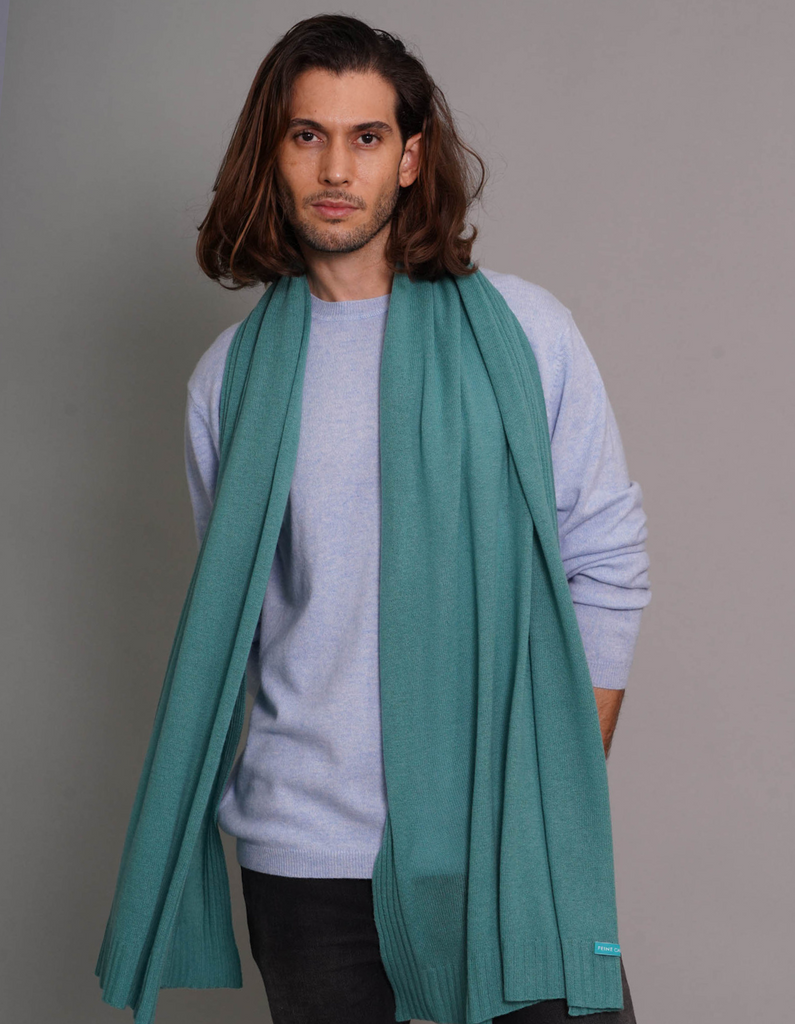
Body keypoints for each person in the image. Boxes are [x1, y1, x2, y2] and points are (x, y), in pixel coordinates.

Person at [182, 13, 650, 1024]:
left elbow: (608, 560)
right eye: (307, 135)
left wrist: (555, 781)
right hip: (307, 856)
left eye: (366, 136)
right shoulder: (229, 383)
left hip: (502, 833)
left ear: (409, 157)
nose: (335, 168)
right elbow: (246, 623)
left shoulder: (525, 332)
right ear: (273, 153)